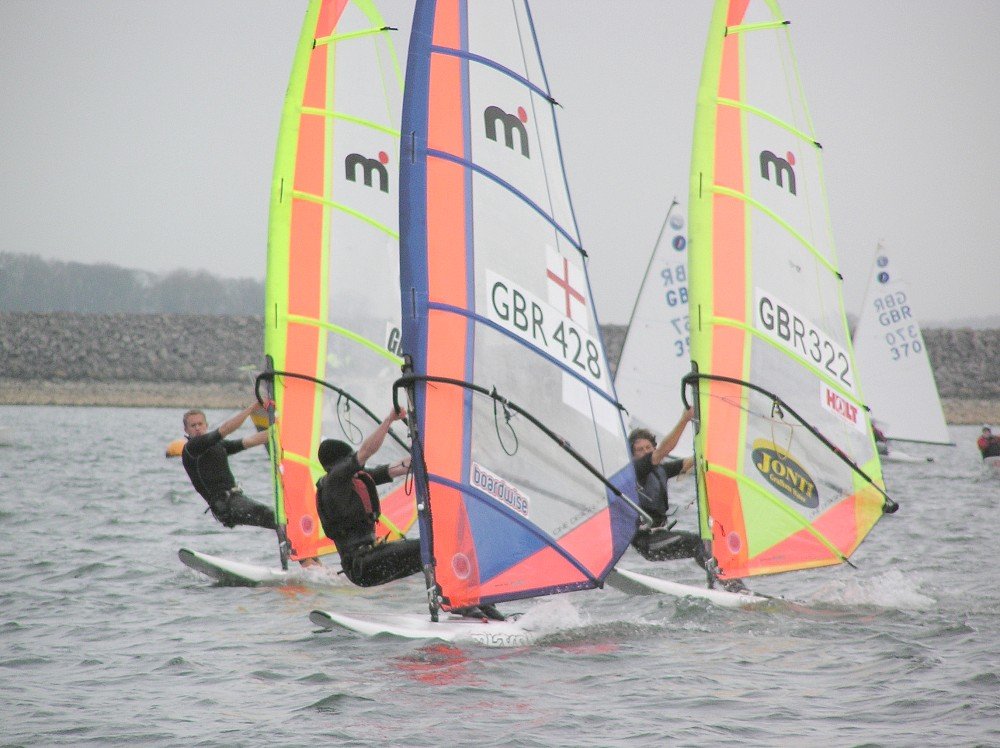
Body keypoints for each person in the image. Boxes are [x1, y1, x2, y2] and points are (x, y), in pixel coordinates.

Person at [316, 407, 503, 620]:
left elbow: (395, 469)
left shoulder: (352, 480)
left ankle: (480, 602)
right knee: (431, 548)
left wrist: (430, 455)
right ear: (339, 463)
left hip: (372, 558)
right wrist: (388, 420)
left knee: (444, 546)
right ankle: (456, 602)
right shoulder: (335, 481)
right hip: (361, 565)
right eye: (350, 459)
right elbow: (366, 451)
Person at [181, 404, 319, 567]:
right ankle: (308, 564)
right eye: (193, 425)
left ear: (206, 425)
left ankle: (313, 563)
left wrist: (280, 429)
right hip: (226, 506)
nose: (197, 428)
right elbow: (224, 429)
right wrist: (252, 408)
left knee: (283, 520)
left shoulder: (218, 446)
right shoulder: (192, 448)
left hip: (236, 500)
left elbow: (251, 441)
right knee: (277, 519)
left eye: (200, 424)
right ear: (186, 430)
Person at [629, 407, 747, 593]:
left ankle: (727, 586)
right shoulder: (637, 470)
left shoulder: (661, 470)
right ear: (634, 455)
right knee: (695, 543)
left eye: (648, 448)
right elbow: (663, 451)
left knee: (706, 543)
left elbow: (690, 461)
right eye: (639, 450)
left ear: (653, 447)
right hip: (648, 543)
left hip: (661, 535)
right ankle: (733, 587)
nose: (645, 452)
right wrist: (685, 420)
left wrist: (716, 442)